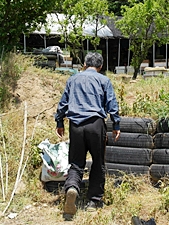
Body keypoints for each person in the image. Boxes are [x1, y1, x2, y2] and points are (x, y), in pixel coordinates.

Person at [55, 52, 121, 220]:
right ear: (100, 67)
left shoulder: (73, 79)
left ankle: (72, 189)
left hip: (76, 125)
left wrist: (59, 122)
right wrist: (116, 124)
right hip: (95, 125)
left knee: (76, 162)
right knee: (98, 162)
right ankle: (93, 201)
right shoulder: (104, 80)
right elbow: (111, 103)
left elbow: (63, 103)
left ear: (84, 64)